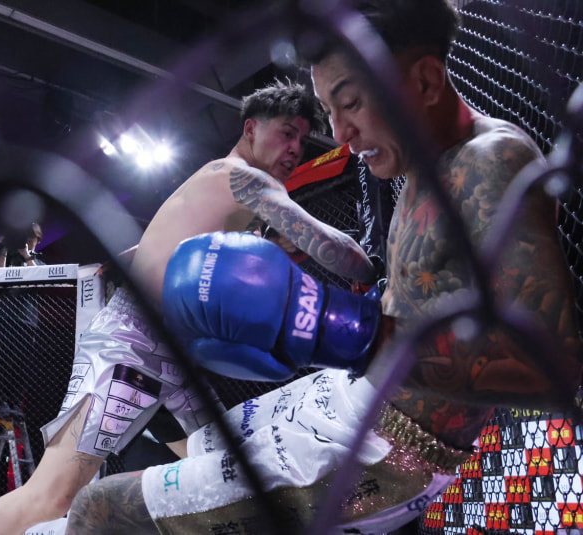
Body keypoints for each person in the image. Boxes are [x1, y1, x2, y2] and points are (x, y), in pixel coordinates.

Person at [64, 1, 583, 533]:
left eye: (351, 103)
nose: (339, 134)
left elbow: (558, 369)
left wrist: (349, 332)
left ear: (425, 81)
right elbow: (422, 300)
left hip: (389, 448)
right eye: (329, 111)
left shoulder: (490, 162)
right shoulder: (421, 164)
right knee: (202, 440)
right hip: (352, 396)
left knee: (96, 508)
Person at [0, 80, 377, 534]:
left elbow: (157, 251)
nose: (296, 148)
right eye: (286, 133)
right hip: (131, 347)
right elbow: (331, 248)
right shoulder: (243, 178)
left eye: (302, 138)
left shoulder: (224, 192)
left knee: (227, 474)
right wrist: (375, 263)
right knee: (51, 494)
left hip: (178, 360)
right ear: (251, 129)